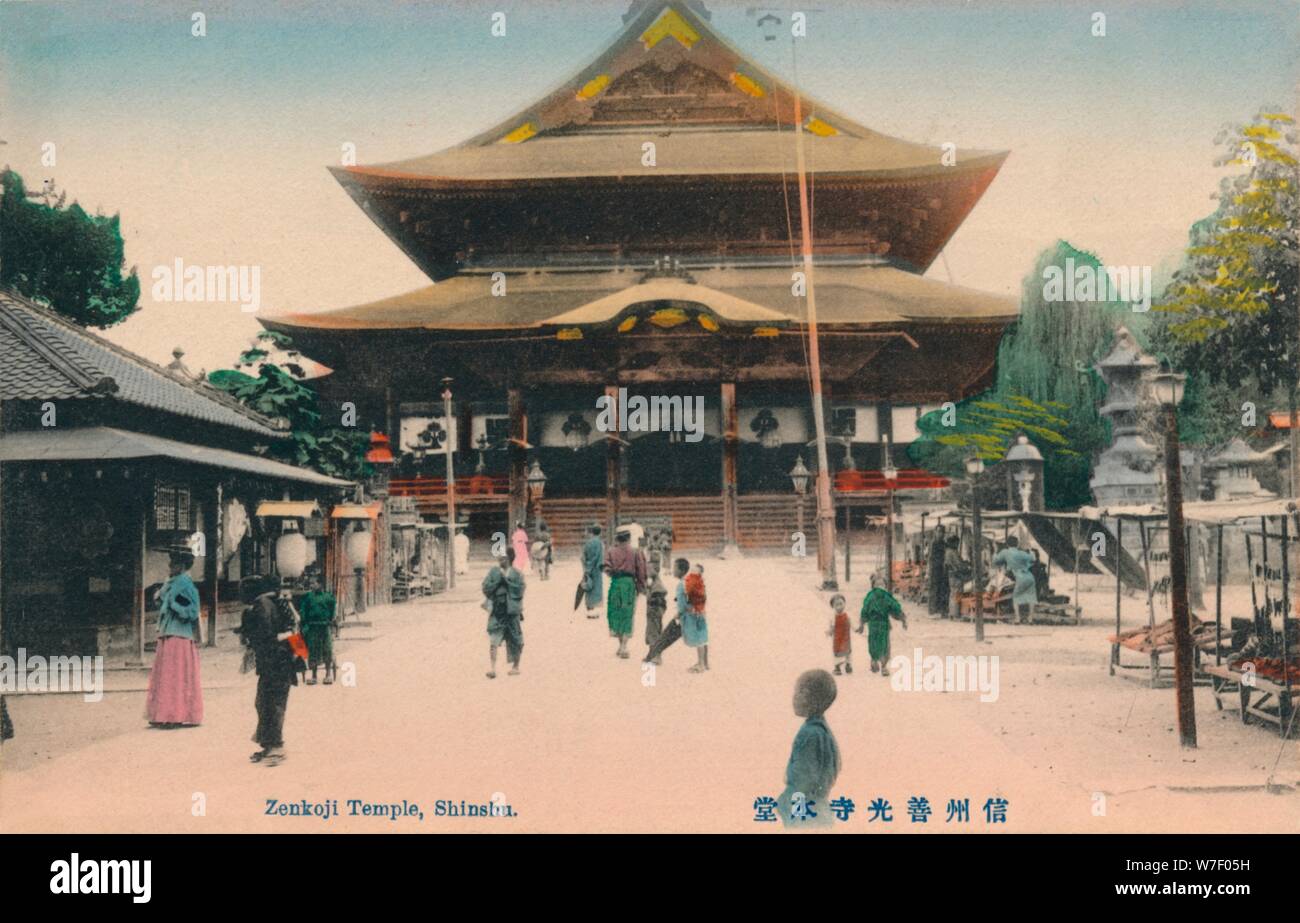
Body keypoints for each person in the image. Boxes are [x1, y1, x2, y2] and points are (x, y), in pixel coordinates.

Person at [240, 576, 298, 767]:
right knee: (265, 702)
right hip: (279, 662)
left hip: (275, 661)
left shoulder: (262, 604)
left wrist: (248, 635)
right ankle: (268, 745)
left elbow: (265, 633)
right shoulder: (274, 603)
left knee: (271, 704)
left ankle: (277, 747)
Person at [144, 547, 204, 728]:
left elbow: (192, 612)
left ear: (183, 565)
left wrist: (173, 604)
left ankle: (174, 715)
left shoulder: (186, 585)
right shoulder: (171, 583)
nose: (170, 566)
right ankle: (164, 714)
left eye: (174, 563)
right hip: (168, 634)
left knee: (174, 676)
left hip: (179, 635)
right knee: (166, 675)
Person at [777, 669, 841, 828]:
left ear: (812, 699)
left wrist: (786, 804)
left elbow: (803, 781)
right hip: (820, 807)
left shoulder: (810, 734)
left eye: (799, 692)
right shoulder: (822, 730)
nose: (794, 697)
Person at [604, 526, 647, 659]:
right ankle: (624, 646)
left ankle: (620, 645)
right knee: (627, 613)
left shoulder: (610, 551)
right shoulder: (635, 552)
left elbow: (606, 567)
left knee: (615, 612)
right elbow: (641, 570)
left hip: (616, 583)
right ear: (629, 538)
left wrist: (614, 573)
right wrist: (641, 587)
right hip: (629, 584)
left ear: (617, 538)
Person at [483, 547, 525, 678]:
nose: (500, 559)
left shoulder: (517, 574)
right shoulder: (493, 572)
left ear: (509, 559)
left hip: (512, 612)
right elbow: (485, 587)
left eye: (503, 557)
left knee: (516, 640)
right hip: (498, 611)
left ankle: (516, 666)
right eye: (499, 557)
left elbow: (520, 589)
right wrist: (497, 582)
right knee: (493, 640)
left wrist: (506, 581)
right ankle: (492, 668)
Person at [857, 573, 907, 676]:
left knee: (875, 644)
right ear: (873, 585)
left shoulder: (870, 597)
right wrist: (902, 618)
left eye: (882, 584)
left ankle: (875, 661)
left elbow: (864, 610)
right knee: (884, 646)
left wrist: (862, 623)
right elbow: (895, 608)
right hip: (882, 624)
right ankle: (882, 666)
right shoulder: (886, 596)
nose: (880, 586)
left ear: (885, 585)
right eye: (878, 584)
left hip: (875, 625)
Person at [298, 575, 337, 685]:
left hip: (325, 627)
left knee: (327, 649)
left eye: (314, 583)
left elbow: (333, 610)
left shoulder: (328, 597)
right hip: (312, 627)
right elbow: (303, 611)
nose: (312, 585)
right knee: (313, 650)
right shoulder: (308, 597)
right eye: (311, 584)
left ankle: (328, 674)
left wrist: (331, 621)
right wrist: (304, 623)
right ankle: (314, 676)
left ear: (320, 584)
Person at [992, 535, 1038, 623]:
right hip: (1029, 576)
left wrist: (995, 551)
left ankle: (1017, 618)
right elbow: (1032, 559)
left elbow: (995, 561)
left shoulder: (1006, 552)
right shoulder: (1021, 553)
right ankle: (1030, 619)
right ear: (1017, 544)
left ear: (1007, 544)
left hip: (1019, 577)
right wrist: (1030, 551)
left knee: (1016, 597)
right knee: (1031, 597)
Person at [680, 558, 709, 672]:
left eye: (694, 569)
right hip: (701, 612)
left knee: (698, 639)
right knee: (702, 637)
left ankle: (701, 664)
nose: (691, 570)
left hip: (696, 612)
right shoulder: (700, 582)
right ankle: (704, 663)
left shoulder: (693, 580)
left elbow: (687, 590)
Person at [644, 565, 668, 665]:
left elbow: (659, 600)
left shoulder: (658, 585)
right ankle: (652, 654)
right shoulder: (653, 583)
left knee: (655, 632)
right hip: (651, 612)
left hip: (655, 611)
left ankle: (657, 656)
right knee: (651, 631)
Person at [581, 525, 605, 617]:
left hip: (588, 567)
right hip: (596, 569)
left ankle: (589, 609)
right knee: (596, 588)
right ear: (600, 533)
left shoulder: (588, 543)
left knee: (589, 587)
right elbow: (599, 557)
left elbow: (583, 556)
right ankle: (594, 612)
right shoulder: (599, 543)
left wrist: (586, 567)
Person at [926, 524, 949, 617]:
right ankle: (932, 610)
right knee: (933, 589)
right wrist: (929, 570)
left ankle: (939, 609)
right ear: (935, 532)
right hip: (934, 569)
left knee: (941, 589)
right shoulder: (933, 543)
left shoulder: (944, 543)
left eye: (942, 532)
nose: (940, 534)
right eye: (938, 531)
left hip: (941, 569)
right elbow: (930, 558)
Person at [827, 594, 852, 675]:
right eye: (836, 605)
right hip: (837, 637)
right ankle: (837, 667)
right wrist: (830, 631)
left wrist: (856, 629)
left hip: (846, 636)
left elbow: (851, 623)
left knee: (848, 650)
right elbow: (832, 626)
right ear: (833, 606)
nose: (839, 606)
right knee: (837, 651)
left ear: (844, 603)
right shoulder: (833, 616)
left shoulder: (847, 614)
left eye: (841, 604)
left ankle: (848, 665)